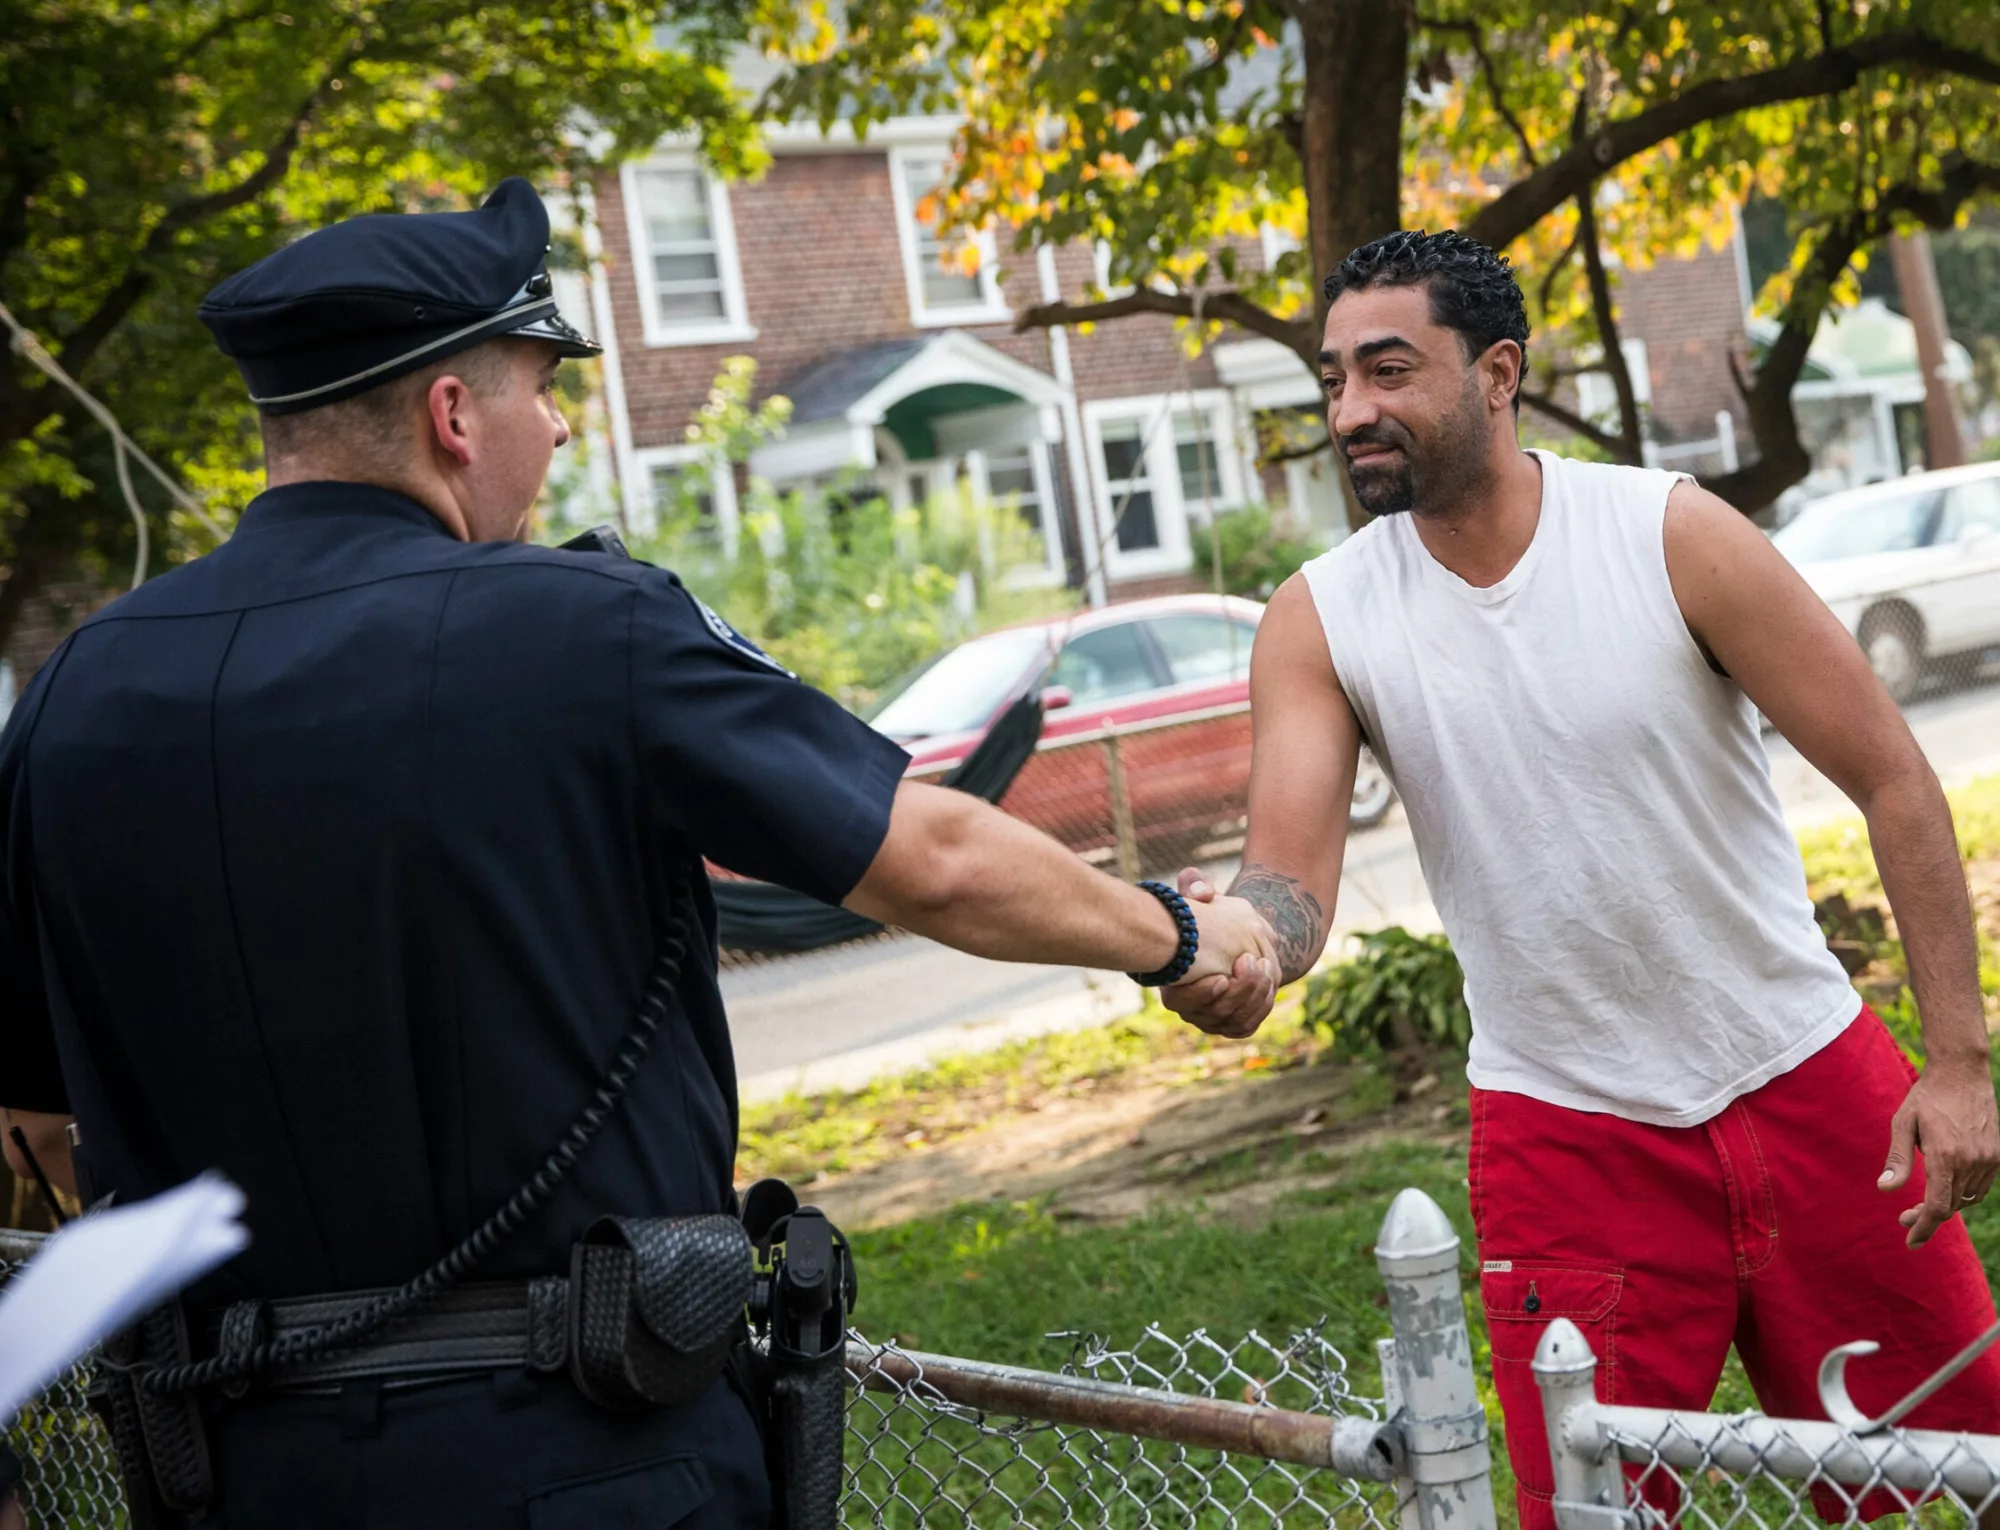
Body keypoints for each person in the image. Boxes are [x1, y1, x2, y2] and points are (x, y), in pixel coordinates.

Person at [0, 179, 1277, 1529]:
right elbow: (932, 854)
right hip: (586, 1461)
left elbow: (33, 1120)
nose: (555, 429)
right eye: (543, 388)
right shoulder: (581, 628)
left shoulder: (77, 694)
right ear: (451, 414)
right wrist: (1184, 937)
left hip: (237, 1474)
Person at [1166, 228, 2000, 1526]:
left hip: (1803, 1072)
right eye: (1334, 379)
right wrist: (1244, 943)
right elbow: (1289, 879)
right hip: (1566, 1132)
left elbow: (1894, 772)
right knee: (1592, 1510)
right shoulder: (1324, 615)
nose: (1351, 410)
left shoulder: (1668, 534)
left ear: (1499, 371)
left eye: (1387, 370)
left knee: (1977, 1448)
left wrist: (1955, 1061)